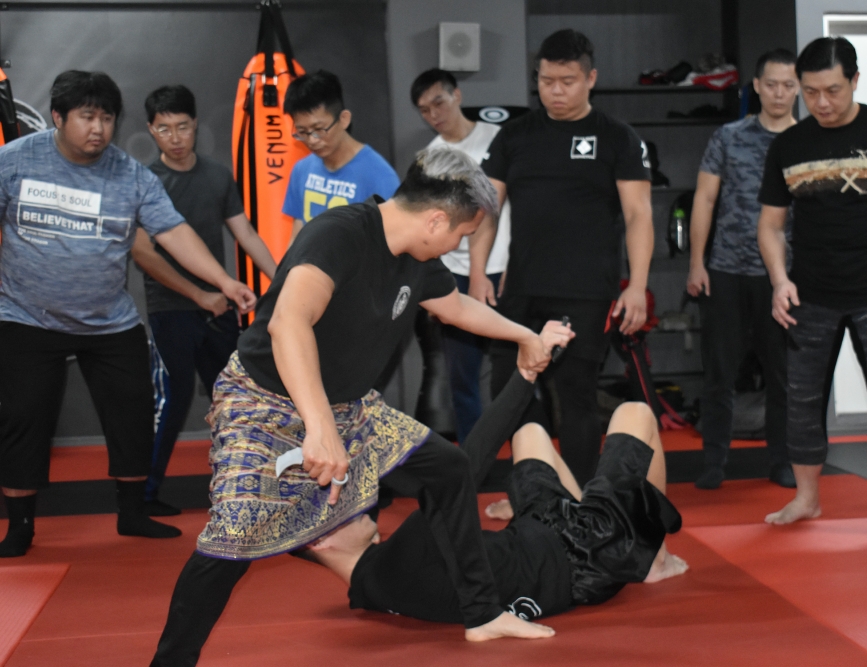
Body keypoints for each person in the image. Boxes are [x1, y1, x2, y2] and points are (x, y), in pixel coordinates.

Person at [149, 148, 563, 667]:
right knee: (234, 537)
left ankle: (481, 614)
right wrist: (320, 426)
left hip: (349, 405)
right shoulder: (338, 235)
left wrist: (525, 336)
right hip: (263, 403)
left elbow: (455, 306)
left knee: (447, 468)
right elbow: (288, 324)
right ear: (436, 220)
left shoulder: (418, 255)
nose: (459, 244)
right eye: (462, 234)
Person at [0, 71, 256, 558]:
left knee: (134, 415)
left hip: (108, 320)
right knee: (22, 420)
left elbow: (174, 232)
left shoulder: (131, 175)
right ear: (58, 117)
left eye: (107, 118)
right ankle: (20, 526)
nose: (98, 128)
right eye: (87, 117)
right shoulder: (14, 161)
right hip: (27, 317)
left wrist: (223, 281)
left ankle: (133, 513)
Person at [305, 321, 687, 625]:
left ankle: (605, 517)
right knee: (635, 413)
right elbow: (461, 467)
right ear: (320, 541)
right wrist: (525, 374)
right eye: (341, 506)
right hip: (585, 553)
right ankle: (654, 559)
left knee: (529, 434)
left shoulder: (370, 589)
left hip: (541, 532)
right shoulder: (397, 562)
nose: (356, 503)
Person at [756, 38, 867, 546]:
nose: (822, 102)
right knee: (801, 402)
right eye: (811, 92)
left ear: (855, 80)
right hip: (809, 293)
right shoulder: (789, 145)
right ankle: (806, 498)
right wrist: (779, 280)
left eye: (833, 90)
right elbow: (769, 225)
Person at [477, 29, 655, 485]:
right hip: (522, 286)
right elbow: (486, 211)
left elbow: (638, 215)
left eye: (567, 81)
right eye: (546, 81)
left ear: (590, 78)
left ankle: (578, 497)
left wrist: (637, 285)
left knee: (576, 395)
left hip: (586, 290)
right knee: (507, 389)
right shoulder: (515, 136)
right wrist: (478, 273)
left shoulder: (617, 137)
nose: (555, 91)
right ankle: (538, 487)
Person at [132, 85, 278, 517]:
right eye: (164, 129)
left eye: (182, 127)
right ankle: (143, 495)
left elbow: (245, 233)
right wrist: (200, 294)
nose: (175, 137)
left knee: (235, 398)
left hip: (220, 308)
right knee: (172, 400)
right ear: (150, 130)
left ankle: (242, 486)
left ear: (196, 125)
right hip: (171, 308)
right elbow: (144, 255)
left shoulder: (217, 175)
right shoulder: (145, 182)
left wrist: (284, 281)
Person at [686, 49, 799, 491]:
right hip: (726, 269)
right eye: (771, 84)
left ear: (798, 88)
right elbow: (704, 199)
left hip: (783, 277)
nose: (779, 93)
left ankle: (783, 460)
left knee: (783, 376)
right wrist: (697, 262)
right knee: (719, 373)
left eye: (788, 85)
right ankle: (714, 460)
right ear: (756, 86)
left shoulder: (806, 140)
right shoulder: (729, 136)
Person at [410, 67, 512, 443]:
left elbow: (510, 207)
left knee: (512, 369)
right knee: (461, 376)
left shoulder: (499, 138)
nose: (433, 114)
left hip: (501, 268)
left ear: (457, 96)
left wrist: (505, 266)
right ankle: (474, 458)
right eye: (424, 110)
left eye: (438, 102)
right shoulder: (430, 158)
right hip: (453, 273)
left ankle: (525, 454)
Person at [282, 70, 399, 247]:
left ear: (344, 119)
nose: (312, 140)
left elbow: (392, 243)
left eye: (319, 129)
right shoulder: (301, 170)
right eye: (302, 132)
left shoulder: (379, 176)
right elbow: (297, 233)